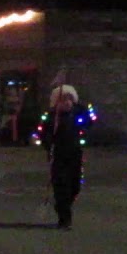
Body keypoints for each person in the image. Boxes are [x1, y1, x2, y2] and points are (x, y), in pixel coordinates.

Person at [40, 84, 95, 229]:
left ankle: (65, 206)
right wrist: (48, 144)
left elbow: (89, 121)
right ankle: (64, 217)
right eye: (63, 99)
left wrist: (83, 108)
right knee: (61, 186)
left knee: (74, 186)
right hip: (58, 156)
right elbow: (44, 135)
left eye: (70, 99)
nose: (67, 102)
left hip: (75, 155)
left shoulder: (76, 115)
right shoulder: (52, 117)